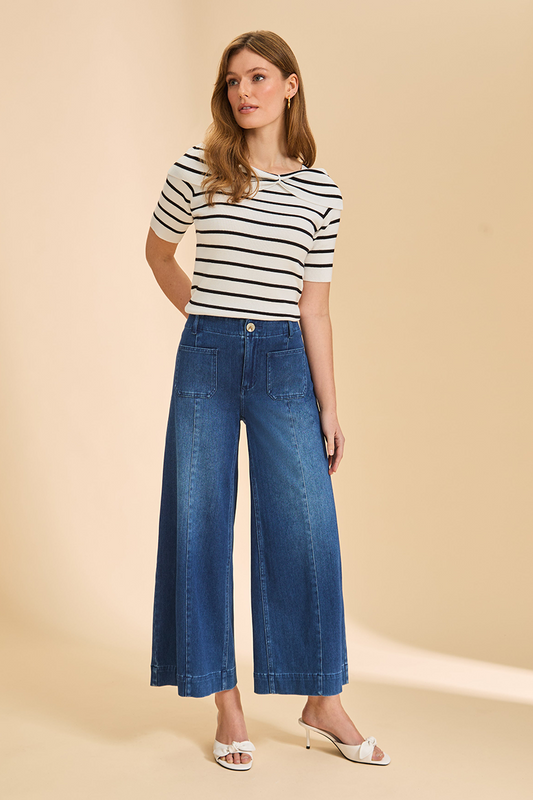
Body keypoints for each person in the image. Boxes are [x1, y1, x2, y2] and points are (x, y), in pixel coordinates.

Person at [145, 30, 390, 771]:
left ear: (289, 86)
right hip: (208, 360)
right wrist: (207, 319)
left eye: (257, 77)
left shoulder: (322, 191)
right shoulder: (198, 168)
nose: (242, 92)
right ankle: (225, 703)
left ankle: (321, 697)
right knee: (199, 521)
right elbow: (158, 254)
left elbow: (314, 307)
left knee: (307, 527)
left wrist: (329, 407)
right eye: (231, 82)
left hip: (285, 359)